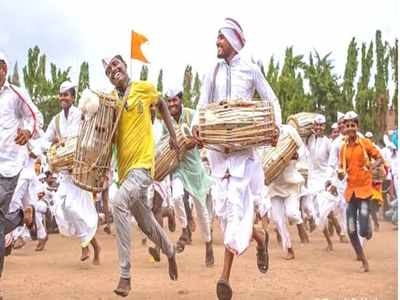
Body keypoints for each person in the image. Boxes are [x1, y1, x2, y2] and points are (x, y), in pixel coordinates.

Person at [191, 18, 281, 300]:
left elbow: (272, 100)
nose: (216, 43)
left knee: (235, 212)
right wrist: (196, 126)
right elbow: (202, 104)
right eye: (217, 38)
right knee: (225, 213)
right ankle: (260, 237)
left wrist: (275, 125)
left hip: (243, 156)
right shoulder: (212, 72)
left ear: (233, 40)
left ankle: (224, 278)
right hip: (219, 155)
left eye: (220, 38)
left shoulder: (251, 70)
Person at [103, 54, 179, 297]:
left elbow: (162, 105)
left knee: (118, 203)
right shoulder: (112, 101)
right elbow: (108, 136)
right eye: (109, 71)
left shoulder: (144, 88)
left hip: (144, 166)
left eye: (116, 64)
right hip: (124, 172)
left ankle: (125, 275)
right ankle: (170, 251)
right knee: (147, 224)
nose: (114, 70)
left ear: (125, 65)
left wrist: (174, 135)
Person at [43, 81, 101, 264]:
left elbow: (91, 138)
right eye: (61, 95)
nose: (63, 98)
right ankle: (94, 245)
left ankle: (86, 246)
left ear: (73, 97)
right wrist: (54, 144)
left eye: (66, 95)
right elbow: (44, 141)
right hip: (64, 173)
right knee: (61, 208)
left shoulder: (82, 115)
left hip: (80, 170)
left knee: (75, 208)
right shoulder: (56, 120)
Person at [0, 52, 42, 300]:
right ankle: (19, 217)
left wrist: (27, 131)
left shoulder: (15, 94)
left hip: (9, 167)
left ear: (3, 69)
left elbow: (36, 116)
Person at [162, 88, 214, 267]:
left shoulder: (192, 114)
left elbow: (202, 139)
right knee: (176, 196)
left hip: (195, 169)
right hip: (178, 168)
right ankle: (185, 230)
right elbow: (164, 143)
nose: (171, 104)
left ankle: (208, 245)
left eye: (174, 100)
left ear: (181, 100)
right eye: (168, 101)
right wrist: (169, 143)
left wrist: (193, 140)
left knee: (201, 212)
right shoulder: (165, 121)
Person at [339, 111, 383, 272]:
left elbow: (380, 158)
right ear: (344, 127)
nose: (350, 128)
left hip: (364, 192)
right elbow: (341, 168)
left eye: (353, 125)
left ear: (357, 127)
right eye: (347, 125)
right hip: (351, 193)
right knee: (351, 229)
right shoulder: (343, 148)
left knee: (363, 229)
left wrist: (372, 165)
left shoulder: (365, 143)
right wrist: (340, 173)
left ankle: (368, 228)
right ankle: (363, 261)